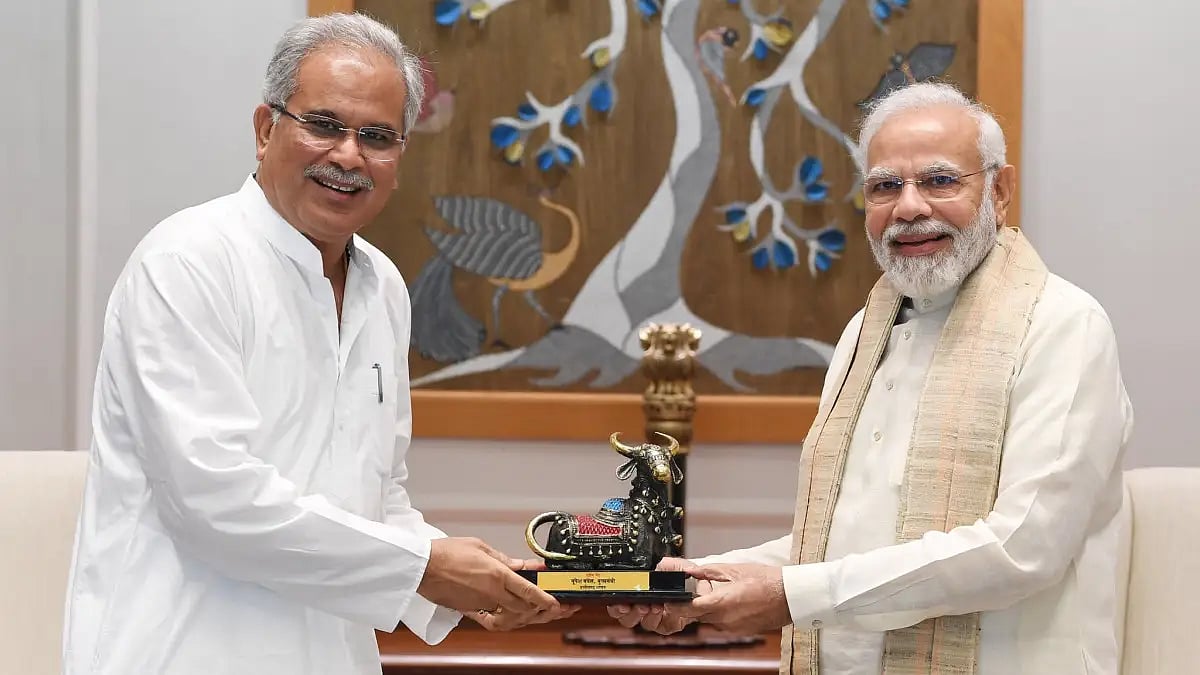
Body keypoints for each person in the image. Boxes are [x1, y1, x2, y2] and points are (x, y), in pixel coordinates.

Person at [61, 13, 576, 675]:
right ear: (265, 129)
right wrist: (427, 568)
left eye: (378, 136)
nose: (348, 155)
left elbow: (379, 496)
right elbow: (215, 500)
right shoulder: (187, 262)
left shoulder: (384, 285)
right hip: (180, 652)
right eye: (325, 124)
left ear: (399, 157)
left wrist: (477, 585)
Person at [609, 81, 1134, 675]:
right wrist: (705, 584)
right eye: (886, 185)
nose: (909, 208)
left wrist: (788, 595)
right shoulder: (867, 329)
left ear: (1000, 189)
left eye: (939, 180)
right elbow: (840, 542)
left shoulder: (1064, 326)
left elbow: (1022, 548)